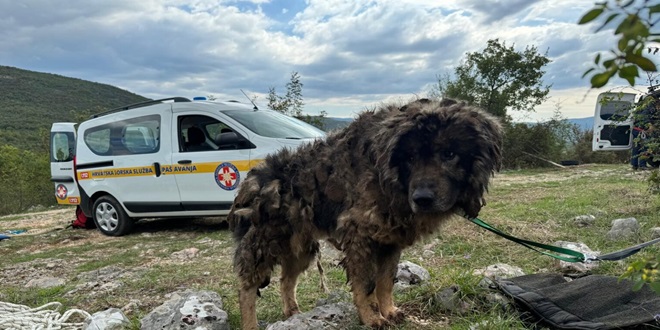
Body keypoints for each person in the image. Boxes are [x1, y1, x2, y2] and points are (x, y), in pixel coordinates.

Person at [631, 88, 659, 170]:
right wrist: (650, 125)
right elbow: (645, 117)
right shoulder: (649, 107)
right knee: (645, 147)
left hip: (636, 129)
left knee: (636, 148)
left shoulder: (642, 106)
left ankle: (634, 165)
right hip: (641, 130)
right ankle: (642, 165)